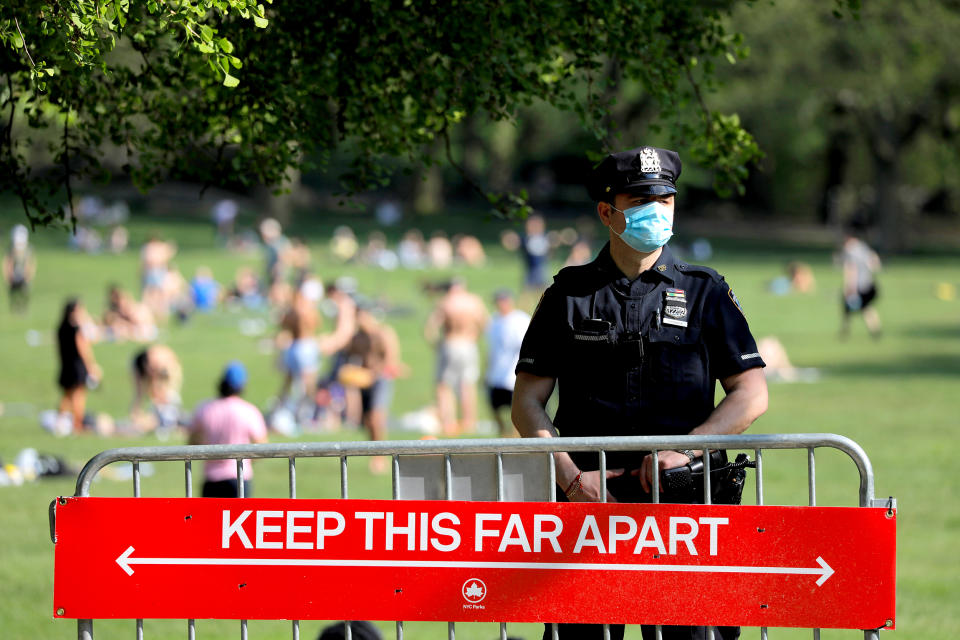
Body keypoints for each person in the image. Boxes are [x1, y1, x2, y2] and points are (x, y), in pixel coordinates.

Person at [511, 146, 768, 640]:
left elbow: (751, 392)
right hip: (590, 509)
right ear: (608, 212)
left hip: (686, 509)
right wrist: (570, 480)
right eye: (642, 200)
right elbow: (527, 402)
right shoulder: (568, 294)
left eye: (666, 200)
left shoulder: (706, 290)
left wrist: (688, 449)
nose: (658, 211)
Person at [341, 304, 408, 472]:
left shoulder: (384, 333)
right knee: (368, 421)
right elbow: (348, 356)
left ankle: (380, 457)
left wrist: (374, 373)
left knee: (377, 417)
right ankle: (374, 453)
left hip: (381, 379)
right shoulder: (357, 337)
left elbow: (391, 359)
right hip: (364, 381)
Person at [188, 361, 268, 497]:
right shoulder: (248, 410)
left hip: (211, 478)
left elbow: (192, 440)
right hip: (240, 476)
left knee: (210, 518)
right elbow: (262, 445)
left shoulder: (205, 408)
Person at [424, 277, 489, 435]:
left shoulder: (446, 303)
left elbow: (429, 329)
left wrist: (437, 344)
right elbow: (486, 323)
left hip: (450, 343)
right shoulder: (474, 302)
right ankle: (469, 422)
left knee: (444, 386)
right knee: (467, 385)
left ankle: (449, 423)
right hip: (469, 344)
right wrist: (475, 335)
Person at [483, 289, 530, 437]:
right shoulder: (494, 321)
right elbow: (491, 349)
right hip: (496, 375)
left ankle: (514, 440)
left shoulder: (520, 320)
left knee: (517, 412)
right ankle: (504, 436)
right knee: (495, 408)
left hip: (513, 375)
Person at [56, 299, 103, 433]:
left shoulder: (61, 328)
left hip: (66, 365)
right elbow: (84, 347)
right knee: (79, 396)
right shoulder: (77, 330)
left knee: (67, 395)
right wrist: (91, 366)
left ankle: (59, 422)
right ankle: (78, 425)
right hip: (77, 366)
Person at [839, 226, 882, 339]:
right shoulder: (863, 247)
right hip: (869, 284)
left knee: (848, 308)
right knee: (866, 308)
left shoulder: (850, 252)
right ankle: (875, 331)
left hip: (858, 286)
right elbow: (875, 262)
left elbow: (851, 270)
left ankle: (845, 331)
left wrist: (850, 287)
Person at [131, 344, 184, 433]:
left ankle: (170, 417)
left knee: (168, 393)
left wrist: (162, 398)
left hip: (168, 366)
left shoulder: (162, 362)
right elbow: (141, 390)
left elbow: (168, 380)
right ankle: (141, 415)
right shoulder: (145, 363)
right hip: (153, 363)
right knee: (142, 393)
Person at [4, 224, 36, 313]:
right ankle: (14, 307)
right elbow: (8, 263)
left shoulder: (28, 249)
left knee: (24, 292)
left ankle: (23, 308)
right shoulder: (11, 249)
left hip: (23, 275)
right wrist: (9, 275)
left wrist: (28, 275)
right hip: (14, 275)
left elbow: (29, 263)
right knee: (13, 293)